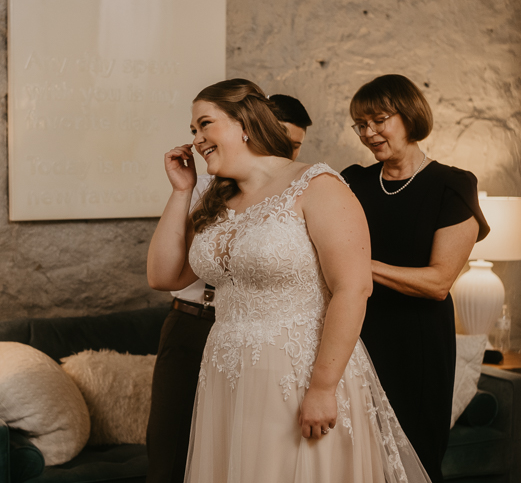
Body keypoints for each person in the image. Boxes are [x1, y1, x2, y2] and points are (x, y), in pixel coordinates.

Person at [147, 78, 431, 483]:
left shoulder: (317, 185)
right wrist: (181, 191)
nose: (196, 139)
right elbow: (163, 275)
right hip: (227, 376)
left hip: (297, 374)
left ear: (244, 122)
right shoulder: (217, 201)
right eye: (193, 130)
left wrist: (322, 387)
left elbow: (354, 288)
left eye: (205, 124)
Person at [145, 94, 314, 483]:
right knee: (171, 449)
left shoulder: (300, 190)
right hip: (193, 322)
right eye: (279, 136)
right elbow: (161, 277)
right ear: (251, 128)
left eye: (294, 143)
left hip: (267, 341)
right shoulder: (209, 185)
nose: (285, 149)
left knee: (251, 455)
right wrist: (181, 191)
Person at [341, 74, 490, 483]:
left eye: (378, 120)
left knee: (415, 458)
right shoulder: (352, 181)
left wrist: (358, 263)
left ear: (409, 116)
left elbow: (438, 282)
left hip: (417, 343)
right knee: (357, 460)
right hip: (355, 337)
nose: (368, 133)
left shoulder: (452, 185)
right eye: (360, 124)